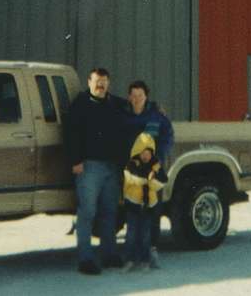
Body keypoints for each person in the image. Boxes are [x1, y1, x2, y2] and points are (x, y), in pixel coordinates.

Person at [64, 67, 126, 275]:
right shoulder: (80, 105)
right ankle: (85, 259)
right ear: (89, 82)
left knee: (110, 213)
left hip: (112, 167)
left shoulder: (116, 104)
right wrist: (75, 161)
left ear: (108, 83)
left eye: (104, 81)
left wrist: (157, 108)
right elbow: (70, 133)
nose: (101, 84)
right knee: (88, 212)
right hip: (89, 167)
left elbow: (139, 106)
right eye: (97, 81)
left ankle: (109, 254)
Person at [124, 79, 173, 267]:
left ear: (146, 97)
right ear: (129, 97)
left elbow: (168, 136)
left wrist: (158, 158)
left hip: (153, 171)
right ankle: (132, 256)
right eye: (134, 95)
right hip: (132, 173)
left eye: (140, 95)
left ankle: (152, 251)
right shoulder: (124, 117)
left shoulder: (157, 117)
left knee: (153, 211)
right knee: (133, 212)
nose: (137, 99)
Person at [121, 132, 167, 271]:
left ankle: (145, 260)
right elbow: (129, 179)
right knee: (131, 234)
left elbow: (162, 181)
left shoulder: (156, 167)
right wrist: (145, 180)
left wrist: (153, 179)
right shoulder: (131, 165)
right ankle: (129, 260)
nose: (146, 155)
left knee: (145, 234)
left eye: (149, 153)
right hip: (133, 204)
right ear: (137, 152)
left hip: (147, 206)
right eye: (143, 152)